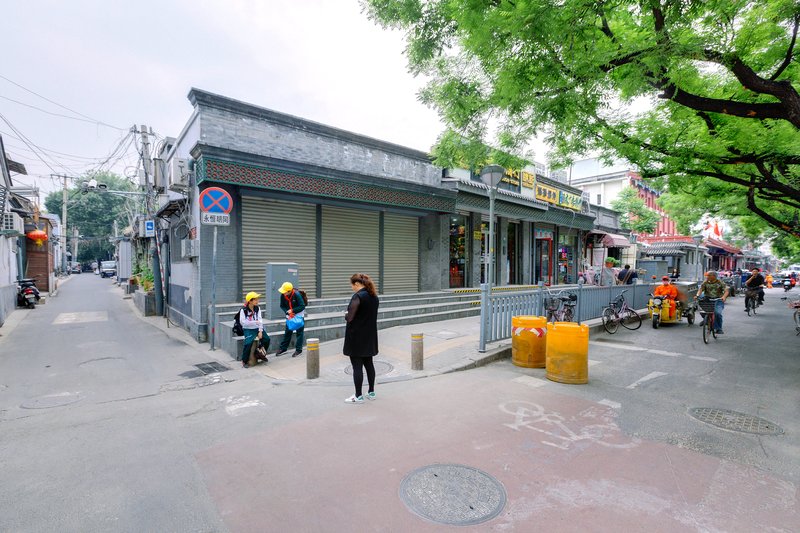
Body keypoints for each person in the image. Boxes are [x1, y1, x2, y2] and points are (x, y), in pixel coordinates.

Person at [343, 273, 380, 404]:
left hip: (356, 337)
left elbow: (350, 317)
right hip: (369, 336)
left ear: (357, 284)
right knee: (369, 364)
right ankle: (371, 392)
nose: (352, 287)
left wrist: (346, 315)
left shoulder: (358, 296)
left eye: (352, 285)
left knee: (357, 366)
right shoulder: (374, 296)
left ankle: (358, 396)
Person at [238, 292, 269, 368]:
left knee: (267, 339)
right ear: (250, 301)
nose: (257, 301)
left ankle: (260, 353)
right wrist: (254, 322)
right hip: (248, 329)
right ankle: (244, 361)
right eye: (255, 299)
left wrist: (260, 331)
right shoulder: (243, 310)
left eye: (257, 299)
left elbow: (260, 320)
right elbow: (243, 322)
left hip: (257, 328)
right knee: (248, 343)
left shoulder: (257, 308)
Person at [276, 282, 306, 357]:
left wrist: (293, 310)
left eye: (284, 291)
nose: (283, 293)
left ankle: (298, 350)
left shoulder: (297, 295)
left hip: (298, 315)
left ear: (289, 291)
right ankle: (283, 348)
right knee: (288, 331)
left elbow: (302, 306)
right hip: (290, 315)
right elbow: (282, 306)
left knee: (299, 333)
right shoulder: (283, 295)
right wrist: (287, 312)